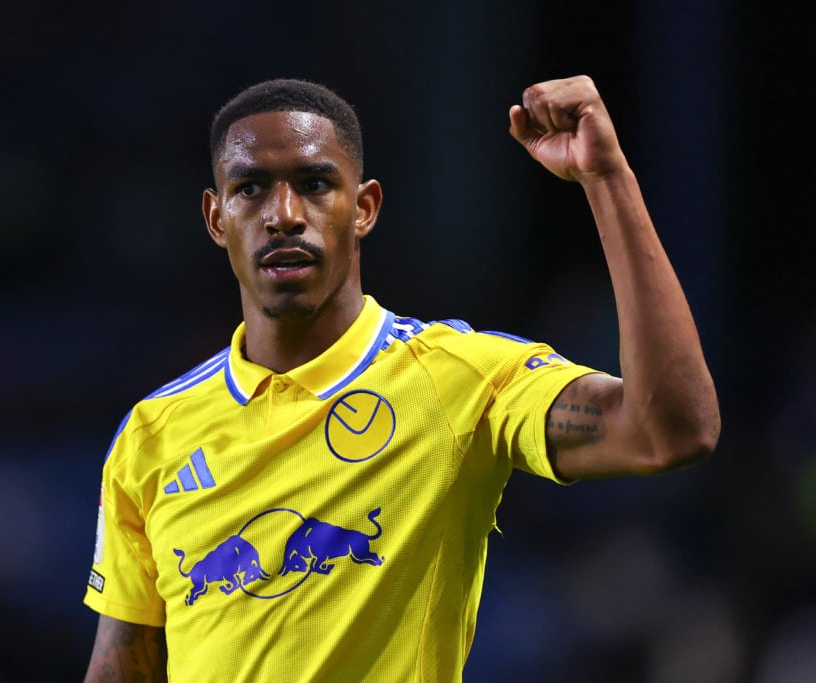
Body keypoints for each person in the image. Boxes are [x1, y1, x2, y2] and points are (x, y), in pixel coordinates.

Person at [81, 75, 720, 682]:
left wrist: (606, 178)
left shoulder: (461, 377)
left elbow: (670, 431)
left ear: (364, 208)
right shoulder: (151, 435)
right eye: (250, 188)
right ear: (217, 218)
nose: (283, 214)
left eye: (314, 183)